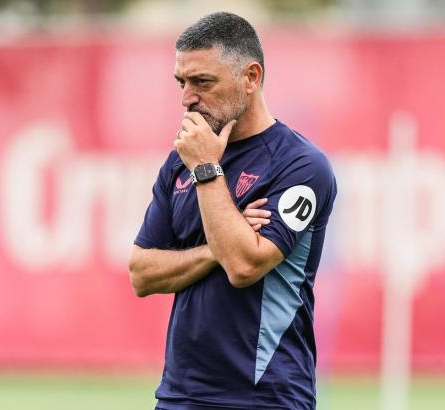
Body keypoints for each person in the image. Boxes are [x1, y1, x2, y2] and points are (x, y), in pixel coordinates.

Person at [129, 12, 337, 410]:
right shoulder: (181, 161)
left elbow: (243, 266)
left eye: (203, 82)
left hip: (264, 396)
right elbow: (141, 272)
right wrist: (215, 249)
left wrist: (208, 171)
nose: (188, 97)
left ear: (251, 77)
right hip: (179, 395)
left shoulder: (301, 165)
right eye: (182, 82)